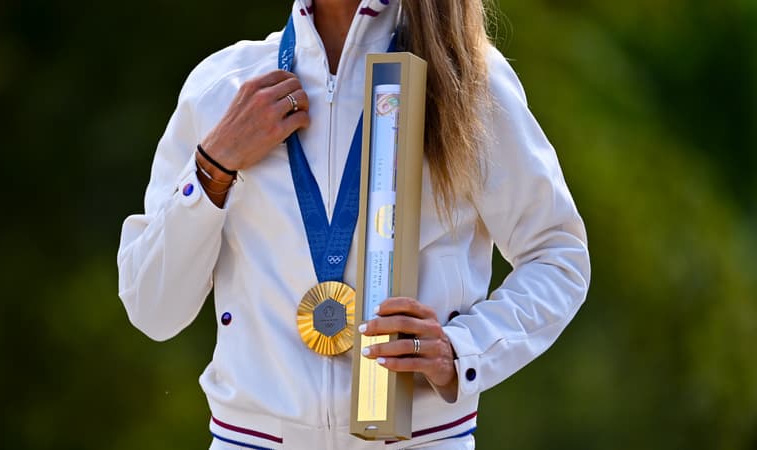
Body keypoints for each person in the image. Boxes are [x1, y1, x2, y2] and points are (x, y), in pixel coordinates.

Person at [117, 0, 590, 448]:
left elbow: (558, 255)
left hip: (417, 440)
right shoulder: (224, 87)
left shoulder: (466, 79)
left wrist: (463, 351)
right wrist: (213, 165)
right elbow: (152, 307)